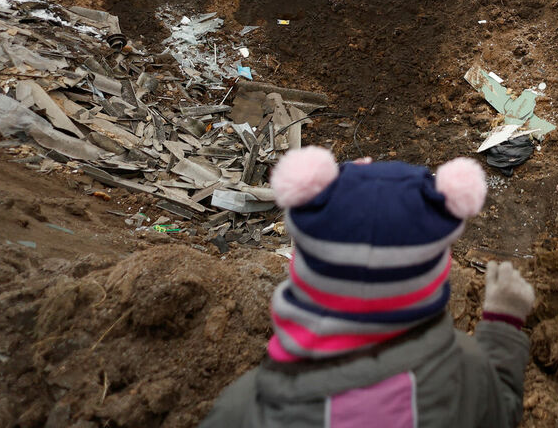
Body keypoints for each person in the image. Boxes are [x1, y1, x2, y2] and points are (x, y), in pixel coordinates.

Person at [200, 149, 535, 428]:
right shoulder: (468, 371)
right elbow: (502, 413)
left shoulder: (240, 410)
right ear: (431, 283)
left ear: (304, 275)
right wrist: (503, 324)